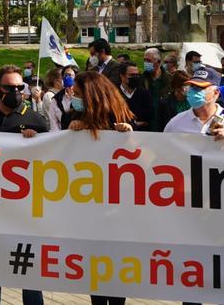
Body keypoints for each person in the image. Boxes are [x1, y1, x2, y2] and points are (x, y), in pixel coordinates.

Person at [0, 65, 48, 305]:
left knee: (29, 272)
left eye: (20, 87)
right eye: (10, 88)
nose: (16, 92)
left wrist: (38, 140)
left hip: (25, 211)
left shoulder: (37, 120)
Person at [65, 71, 133, 305]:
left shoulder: (119, 114)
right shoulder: (74, 114)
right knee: (94, 263)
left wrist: (126, 135)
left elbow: (139, 152)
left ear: (90, 94)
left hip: (117, 203)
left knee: (113, 262)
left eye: (76, 93)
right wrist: (72, 130)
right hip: (87, 200)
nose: (72, 97)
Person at [164, 74, 224, 138]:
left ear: (216, 92)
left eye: (200, 88)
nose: (193, 91)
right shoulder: (175, 123)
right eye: (192, 86)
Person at [114, 61, 153, 131]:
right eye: (131, 75)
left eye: (137, 75)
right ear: (122, 76)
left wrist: (131, 124)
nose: (135, 78)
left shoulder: (144, 94)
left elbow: (149, 116)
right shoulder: (114, 94)